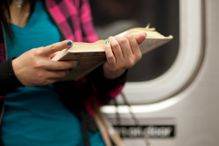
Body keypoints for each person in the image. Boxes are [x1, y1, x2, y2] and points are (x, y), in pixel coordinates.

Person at [0, 0, 146, 146]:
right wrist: (12, 72)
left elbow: (95, 94)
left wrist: (112, 72)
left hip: (84, 138)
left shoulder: (70, 2)